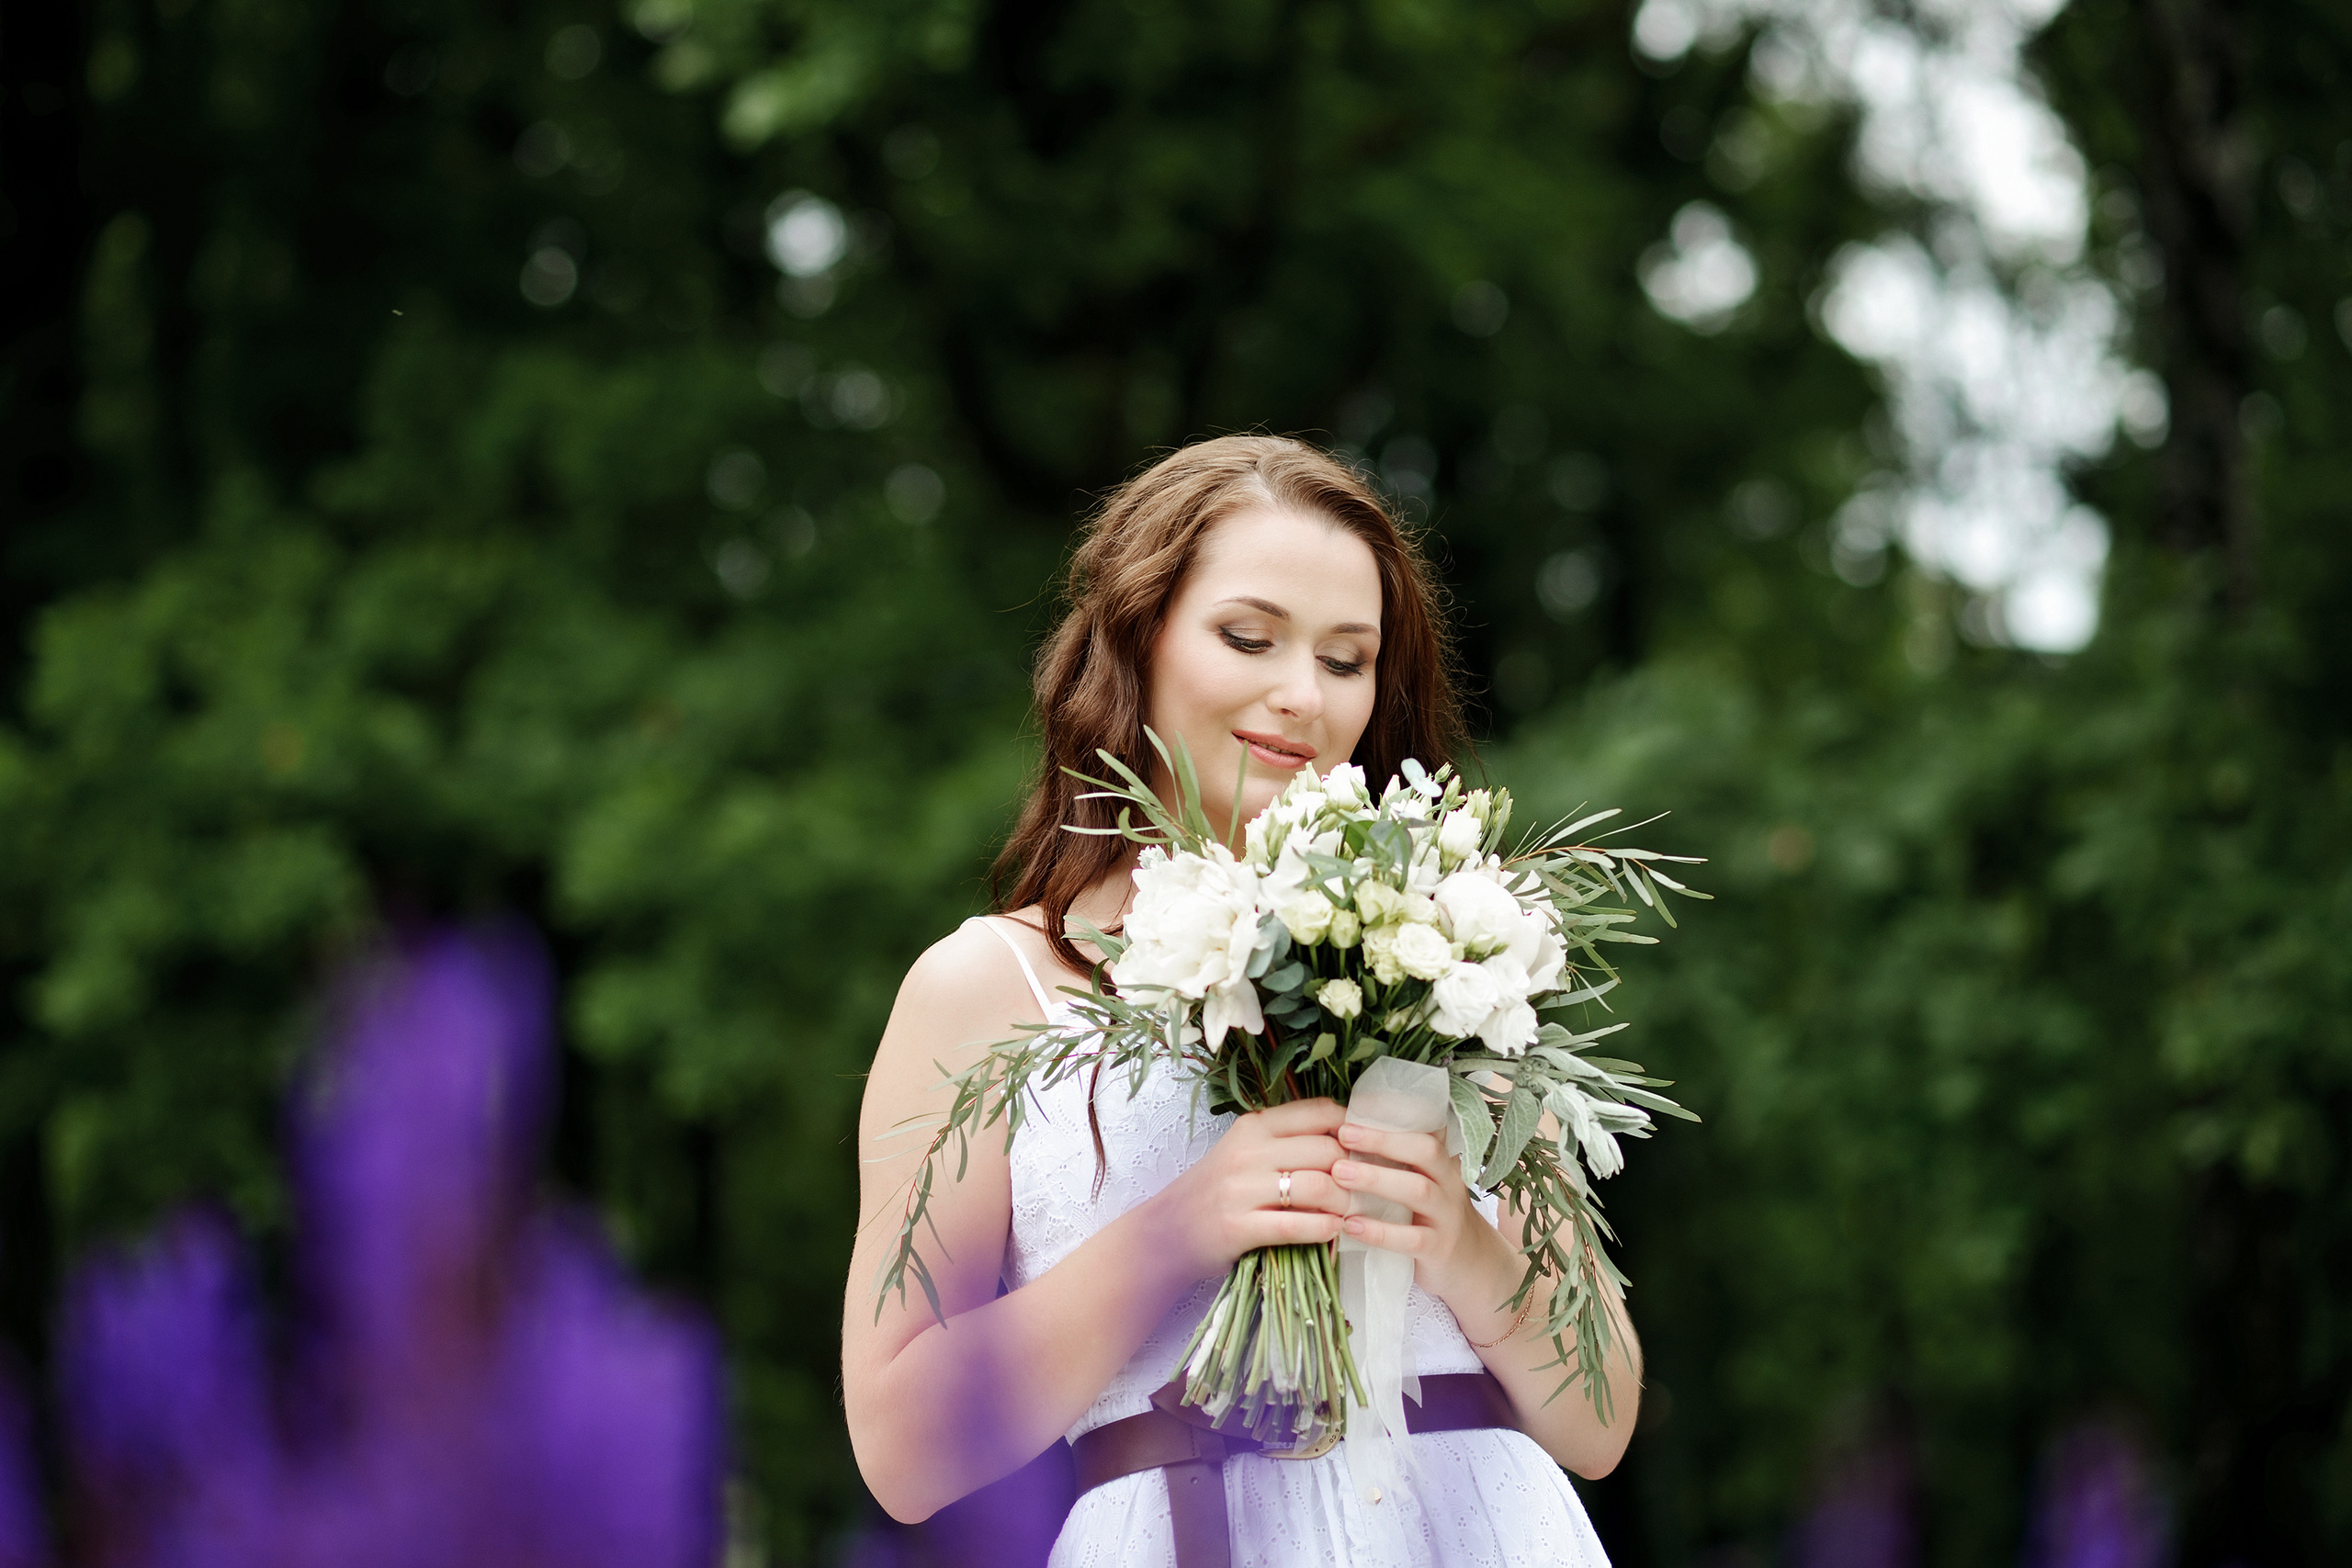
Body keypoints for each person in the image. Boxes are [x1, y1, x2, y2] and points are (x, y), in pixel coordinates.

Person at [843, 435, 1637, 1566]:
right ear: (1141, 636)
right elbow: (901, 1451)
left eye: (1348, 659)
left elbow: (1599, 1422)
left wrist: (1457, 1239)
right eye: (1248, 638)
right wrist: (1182, 1228)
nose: (1300, 696)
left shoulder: (1464, 962)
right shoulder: (987, 987)